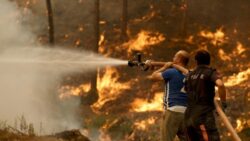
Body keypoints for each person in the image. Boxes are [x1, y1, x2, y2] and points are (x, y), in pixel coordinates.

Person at [183, 49, 227, 141]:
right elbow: (220, 84)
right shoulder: (209, 72)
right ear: (209, 61)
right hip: (203, 116)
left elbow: (185, 91)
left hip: (188, 117)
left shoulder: (189, 75)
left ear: (196, 61)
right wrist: (223, 102)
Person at [147, 50, 190, 141]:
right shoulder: (190, 74)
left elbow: (153, 76)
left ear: (178, 59)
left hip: (172, 111)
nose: (173, 59)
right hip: (186, 113)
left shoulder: (171, 72)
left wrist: (164, 67)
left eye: (174, 56)